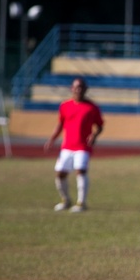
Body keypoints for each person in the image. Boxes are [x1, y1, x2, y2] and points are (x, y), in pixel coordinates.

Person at [44, 77, 104, 212]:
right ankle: (65, 200)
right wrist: (52, 139)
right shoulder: (65, 106)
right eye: (76, 87)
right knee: (60, 173)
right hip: (67, 146)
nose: (79, 89)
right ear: (71, 88)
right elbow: (60, 124)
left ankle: (81, 203)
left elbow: (99, 126)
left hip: (83, 147)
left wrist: (94, 135)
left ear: (86, 89)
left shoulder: (92, 107)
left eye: (81, 87)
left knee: (80, 171)